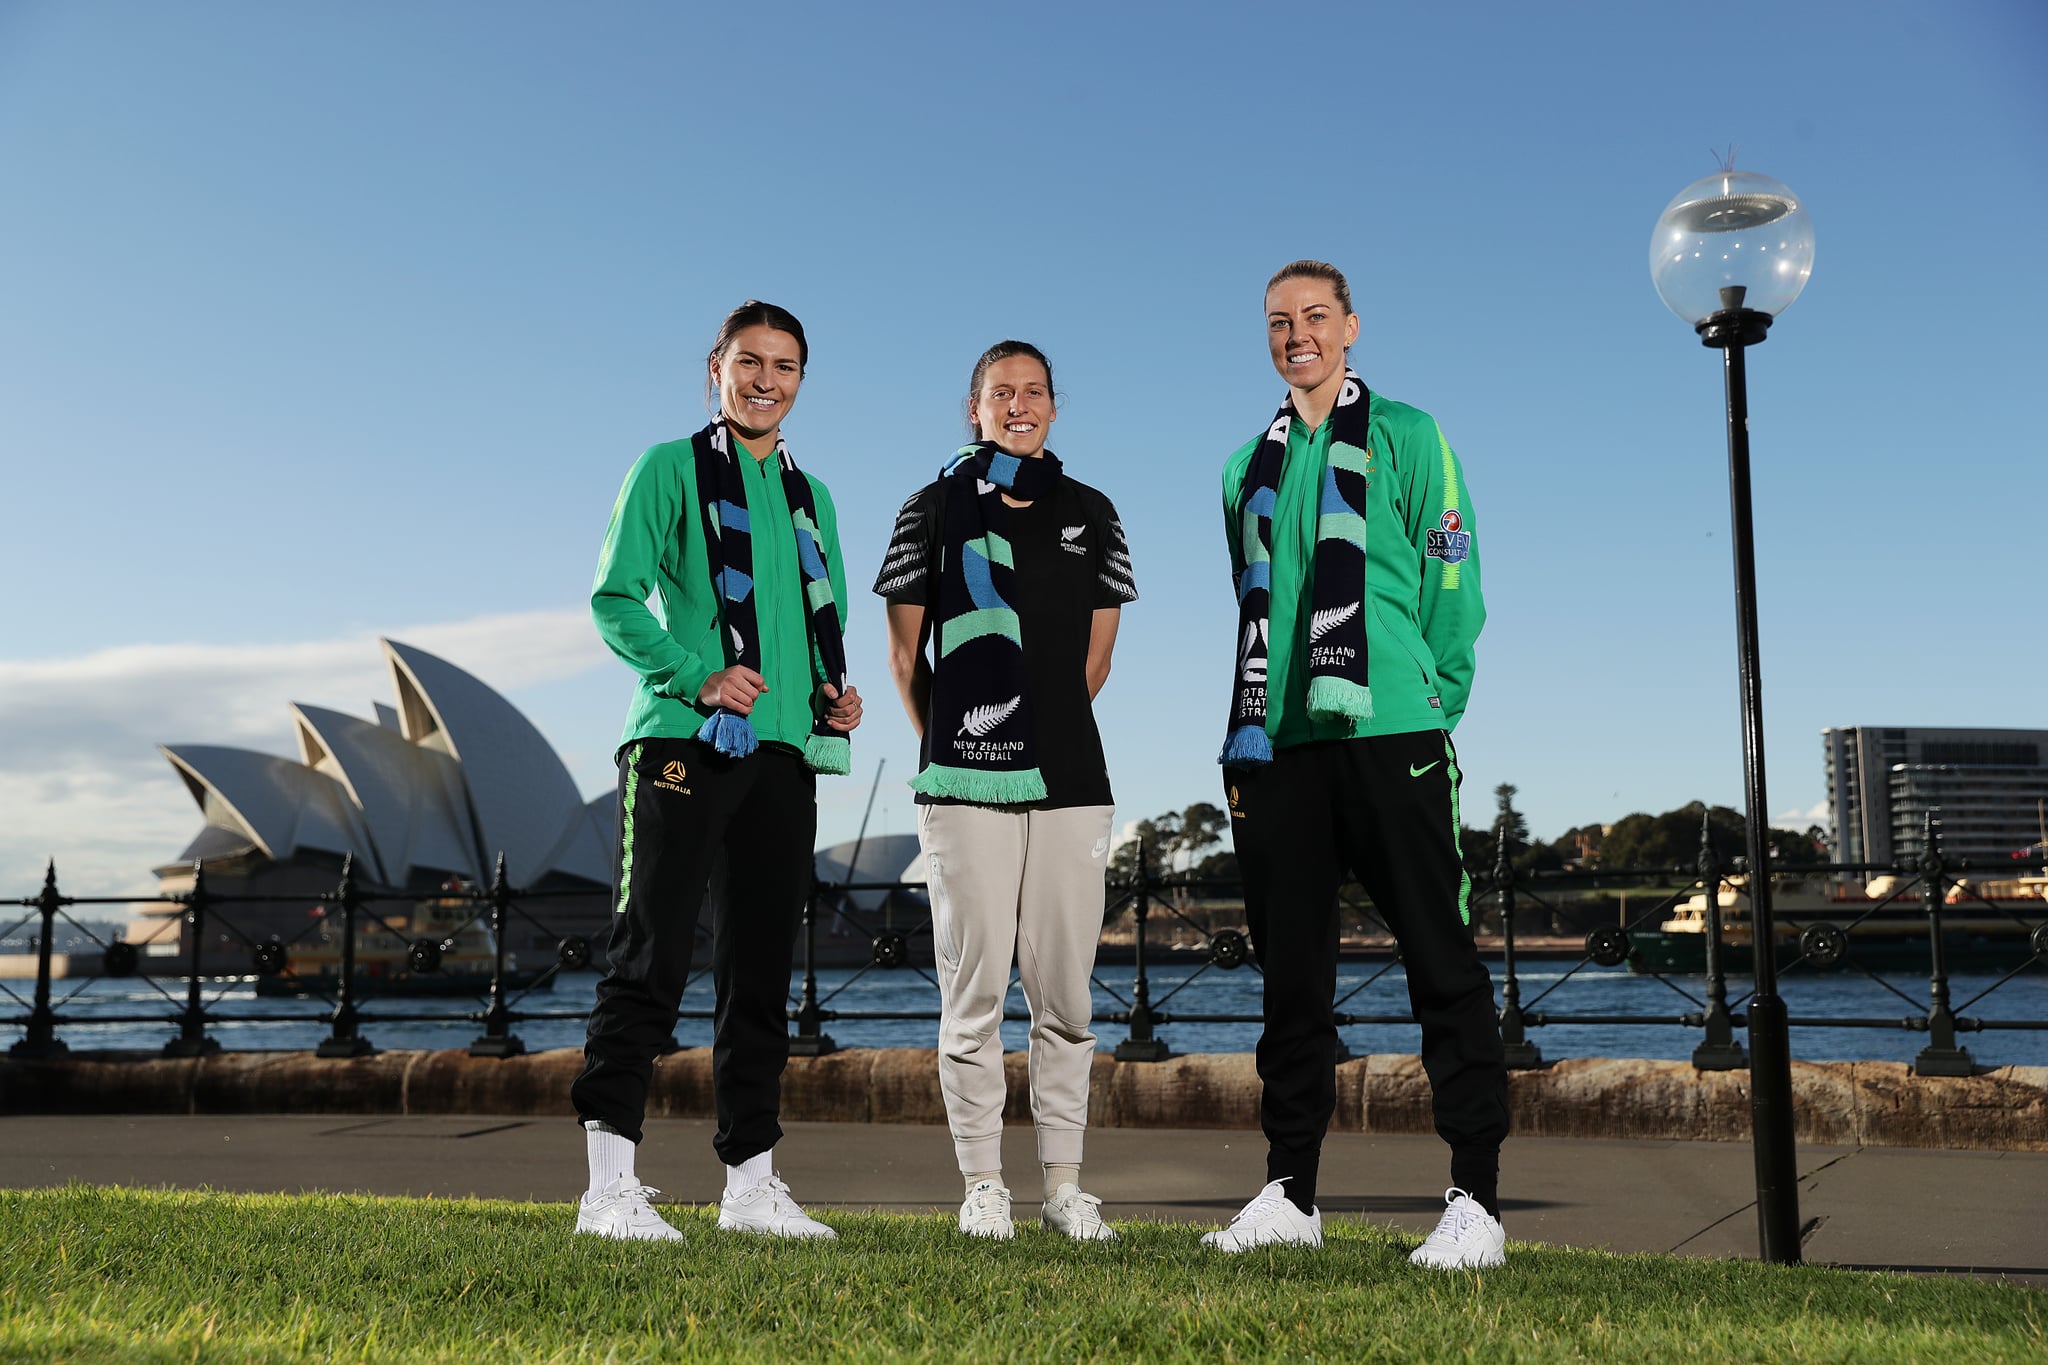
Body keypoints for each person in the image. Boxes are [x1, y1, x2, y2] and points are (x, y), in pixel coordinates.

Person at [1203, 261, 1510, 1268]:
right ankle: (1289, 1194)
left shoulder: (1411, 436)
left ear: (1350, 327)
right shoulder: (1241, 466)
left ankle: (1476, 1204)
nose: (1298, 334)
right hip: (1277, 749)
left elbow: (1449, 583)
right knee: (1291, 985)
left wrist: (1427, 702)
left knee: (1441, 966)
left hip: (1391, 741)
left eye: (1315, 317)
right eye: (1278, 321)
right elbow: (1257, 608)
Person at [571, 300, 862, 1242]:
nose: (764, 379)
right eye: (749, 361)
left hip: (782, 757)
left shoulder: (813, 499)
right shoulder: (668, 468)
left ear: (800, 382)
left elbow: (824, 628)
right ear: (716, 367)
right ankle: (609, 1186)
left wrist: (831, 699)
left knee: (759, 975)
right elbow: (615, 598)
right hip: (682, 741)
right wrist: (699, 676)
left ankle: (751, 1184)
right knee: (649, 953)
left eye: (783, 366)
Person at [876, 340, 1137, 1242]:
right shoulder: (929, 509)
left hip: (1072, 783)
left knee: (1066, 999)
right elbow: (908, 659)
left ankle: (1065, 1186)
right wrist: (956, 750)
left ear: (1054, 408)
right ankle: (984, 1185)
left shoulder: (1095, 513)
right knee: (974, 993)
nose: (1017, 405)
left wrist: (1038, 730)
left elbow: (1094, 663)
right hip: (963, 785)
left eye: (1033, 392)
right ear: (974, 409)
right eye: (999, 393)